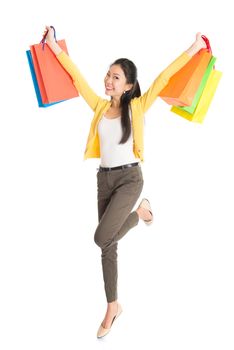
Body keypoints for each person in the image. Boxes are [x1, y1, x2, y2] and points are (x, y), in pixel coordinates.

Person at [44, 26, 207, 338]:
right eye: (108, 74)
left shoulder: (138, 107)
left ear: (129, 84)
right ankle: (112, 305)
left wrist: (194, 47)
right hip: (103, 180)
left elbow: (163, 78)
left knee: (100, 238)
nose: (108, 80)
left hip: (130, 179)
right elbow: (77, 78)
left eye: (116, 76)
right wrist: (54, 47)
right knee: (108, 245)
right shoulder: (100, 106)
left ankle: (138, 213)